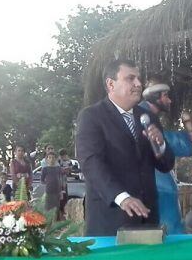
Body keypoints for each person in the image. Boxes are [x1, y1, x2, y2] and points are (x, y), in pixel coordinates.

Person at [75, 59, 175, 236]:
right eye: (130, 78)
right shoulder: (92, 117)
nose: (138, 84)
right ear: (110, 84)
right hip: (111, 220)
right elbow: (91, 163)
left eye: (138, 78)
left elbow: (166, 165)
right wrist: (122, 198)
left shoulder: (147, 117)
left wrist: (161, 145)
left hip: (148, 220)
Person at [139, 76, 192, 234]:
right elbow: (166, 142)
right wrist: (188, 136)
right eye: (165, 96)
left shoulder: (148, 116)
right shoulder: (143, 117)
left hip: (157, 185)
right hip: (158, 187)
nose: (169, 100)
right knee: (168, 230)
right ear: (154, 96)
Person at [41, 151, 63, 218]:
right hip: (49, 192)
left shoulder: (58, 168)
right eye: (49, 158)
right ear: (47, 159)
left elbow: (60, 180)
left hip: (57, 192)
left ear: (56, 159)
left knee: (56, 209)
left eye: (53, 158)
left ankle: (56, 224)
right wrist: (48, 183)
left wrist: (61, 191)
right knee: (48, 209)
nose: (51, 159)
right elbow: (42, 180)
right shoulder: (45, 169)